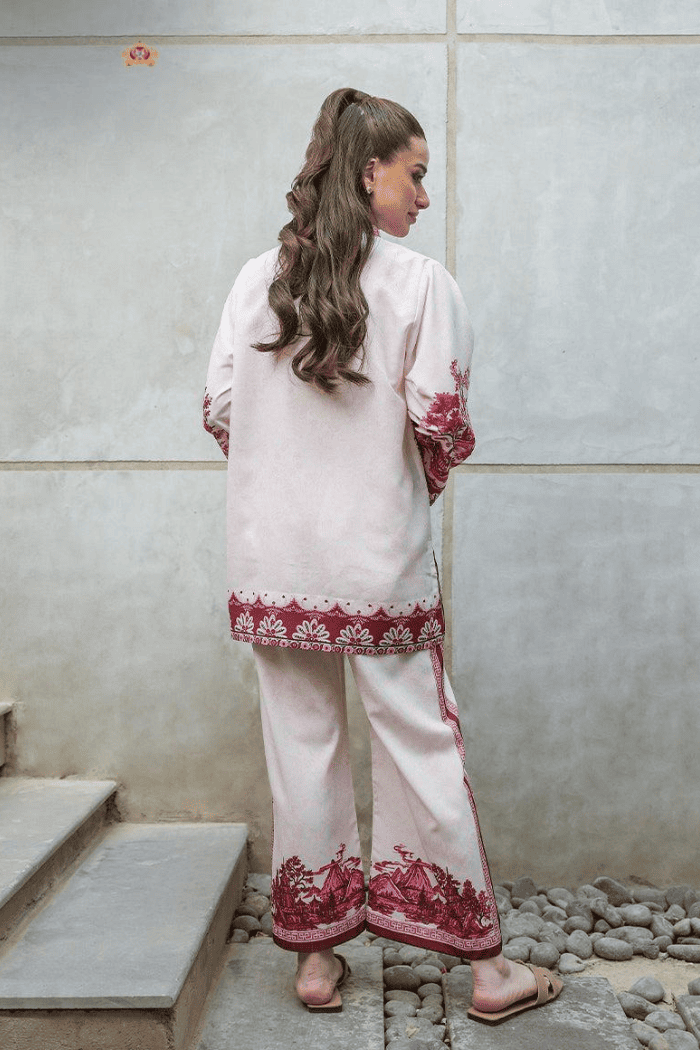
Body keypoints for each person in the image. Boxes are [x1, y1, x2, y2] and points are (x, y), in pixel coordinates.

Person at [203, 87, 562, 1023]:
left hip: (272, 563)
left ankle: (317, 961)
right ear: (372, 173)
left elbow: (220, 412)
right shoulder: (420, 284)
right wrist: (391, 489)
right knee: (420, 743)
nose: (424, 197)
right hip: (375, 564)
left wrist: (287, 480)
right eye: (416, 174)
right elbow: (439, 425)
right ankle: (486, 975)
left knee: (301, 745)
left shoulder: (253, 281)